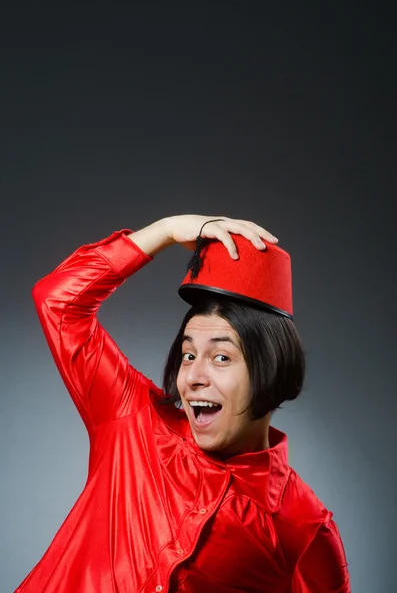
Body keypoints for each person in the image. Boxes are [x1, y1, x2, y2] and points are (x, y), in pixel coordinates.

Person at [15, 214, 351, 593]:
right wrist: (166, 231)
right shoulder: (134, 422)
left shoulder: (305, 529)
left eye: (221, 358)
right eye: (188, 355)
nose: (193, 377)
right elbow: (58, 302)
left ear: (271, 370)